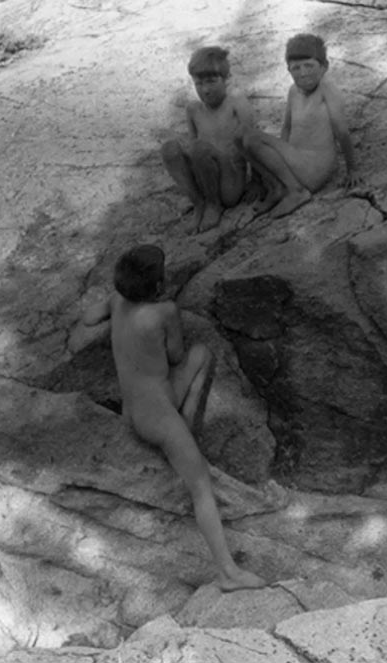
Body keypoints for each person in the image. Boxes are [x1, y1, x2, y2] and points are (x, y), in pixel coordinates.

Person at [82, 244, 267, 591]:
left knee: (202, 354)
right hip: (159, 419)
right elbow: (176, 353)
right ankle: (228, 572)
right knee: (201, 486)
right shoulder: (163, 311)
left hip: (132, 410)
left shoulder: (118, 301)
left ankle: (183, 432)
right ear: (156, 286)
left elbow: (90, 317)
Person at [241, 33, 362, 219]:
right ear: (288, 70)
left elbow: (342, 132)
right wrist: (276, 159)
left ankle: (296, 191)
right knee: (241, 138)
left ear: (324, 67)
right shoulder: (293, 92)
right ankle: (278, 188)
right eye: (296, 68)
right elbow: (287, 128)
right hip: (297, 162)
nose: (303, 73)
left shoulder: (328, 91)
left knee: (250, 136)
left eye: (309, 66)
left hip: (315, 168)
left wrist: (352, 169)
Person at [161, 46, 256, 233]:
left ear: (227, 79)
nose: (205, 90)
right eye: (199, 84)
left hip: (231, 183)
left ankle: (214, 205)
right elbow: (191, 145)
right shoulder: (193, 110)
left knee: (200, 148)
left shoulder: (236, 103)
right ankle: (199, 203)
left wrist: (257, 182)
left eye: (212, 82)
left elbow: (252, 142)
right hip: (205, 176)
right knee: (170, 148)